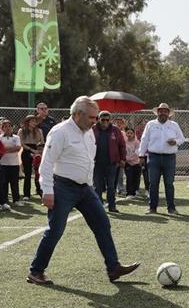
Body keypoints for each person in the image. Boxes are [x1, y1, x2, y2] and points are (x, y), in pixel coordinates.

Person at [26, 96, 140, 285]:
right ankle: (36, 271)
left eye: (96, 118)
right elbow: (46, 163)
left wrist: (89, 186)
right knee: (56, 230)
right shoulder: (60, 132)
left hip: (85, 189)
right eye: (92, 118)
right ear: (78, 114)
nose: (95, 121)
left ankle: (113, 267)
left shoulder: (87, 131)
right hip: (62, 187)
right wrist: (47, 190)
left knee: (102, 224)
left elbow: (87, 160)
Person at [137, 102, 184, 215]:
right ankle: (152, 208)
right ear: (157, 112)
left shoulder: (174, 125)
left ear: (169, 113)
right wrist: (141, 155)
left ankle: (171, 208)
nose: (163, 113)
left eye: (165, 111)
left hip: (170, 158)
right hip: (153, 157)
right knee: (153, 184)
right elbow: (144, 140)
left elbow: (182, 139)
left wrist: (175, 142)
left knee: (169, 184)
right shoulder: (150, 124)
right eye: (160, 111)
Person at [92, 111, 126, 212]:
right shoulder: (92, 129)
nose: (105, 122)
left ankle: (112, 206)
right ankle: (98, 206)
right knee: (97, 186)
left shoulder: (115, 130)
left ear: (110, 120)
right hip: (96, 162)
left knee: (111, 186)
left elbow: (122, 145)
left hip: (111, 162)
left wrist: (123, 159)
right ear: (98, 119)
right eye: (103, 119)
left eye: (107, 120)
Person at [0, 119, 22, 208]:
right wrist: (10, 149)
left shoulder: (16, 137)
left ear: (12, 127)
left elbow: (18, 148)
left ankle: (16, 200)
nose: (7, 128)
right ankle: (4, 200)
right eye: (5, 126)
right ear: (2, 128)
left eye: (9, 126)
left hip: (14, 163)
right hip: (3, 163)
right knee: (4, 183)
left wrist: (5, 150)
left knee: (14, 182)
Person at [18, 115, 44, 199]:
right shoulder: (21, 131)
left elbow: (42, 142)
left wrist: (39, 151)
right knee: (28, 173)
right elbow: (21, 143)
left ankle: (40, 191)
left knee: (38, 173)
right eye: (32, 121)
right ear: (27, 122)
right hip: (26, 152)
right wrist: (31, 150)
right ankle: (26, 194)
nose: (34, 123)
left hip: (37, 152)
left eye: (35, 121)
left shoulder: (39, 131)